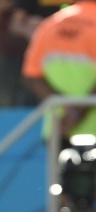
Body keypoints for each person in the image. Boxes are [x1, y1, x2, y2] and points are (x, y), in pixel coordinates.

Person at [22, 0, 96, 141]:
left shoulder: (50, 24)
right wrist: (76, 114)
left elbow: (31, 76)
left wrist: (66, 108)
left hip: (58, 129)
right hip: (91, 130)